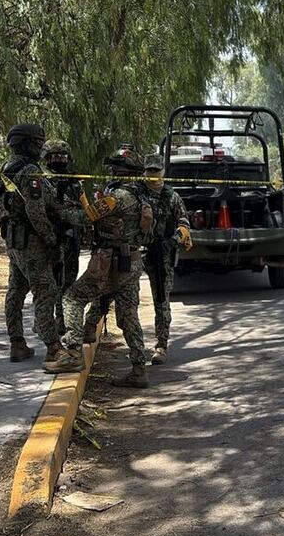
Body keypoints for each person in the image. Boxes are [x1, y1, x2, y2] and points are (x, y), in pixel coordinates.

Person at [45, 145, 154, 389]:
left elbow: (88, 216)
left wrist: (60, 211)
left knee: (72, 299)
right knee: (128, 316)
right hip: (132, 261)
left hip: (111, 262)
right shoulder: (142, 195)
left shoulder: (118, 197)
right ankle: (138, 369)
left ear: (121, 171)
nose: (112, 171)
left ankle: (73, 355)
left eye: (115, 167)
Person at [0, 123, 61, 363]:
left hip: (13, 241)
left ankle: (17, 343)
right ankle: (54, 348)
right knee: (46, 291)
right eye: (38, 143)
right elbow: (36, 212)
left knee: (16, 291)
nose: (41, 147)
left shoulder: (5, 168)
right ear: (28, 144)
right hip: (31, 243)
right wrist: (51, 240)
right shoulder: (30, 171)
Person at [140, 154, 192, 365]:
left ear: (163, 172)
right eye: (149, 170)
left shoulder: (172, 197)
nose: (153, 175)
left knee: (161, 301)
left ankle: (161, 345)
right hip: (138, 253)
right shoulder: (137, 193)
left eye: (156, 170)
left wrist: (172, 241)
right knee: (127, 299)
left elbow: (185, 225)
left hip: (163, 255)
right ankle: (135, 347)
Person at [41, 139, 83, 337]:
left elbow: (84, 207)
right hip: (52, 238)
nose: (60, 160)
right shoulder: (42, 179)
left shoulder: (74, 181)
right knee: (54, 281)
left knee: (69, 278)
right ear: (47, 158)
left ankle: (63, 319)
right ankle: (53, 321)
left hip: (72, 236)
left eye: (63, 156)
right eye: (55, 156)